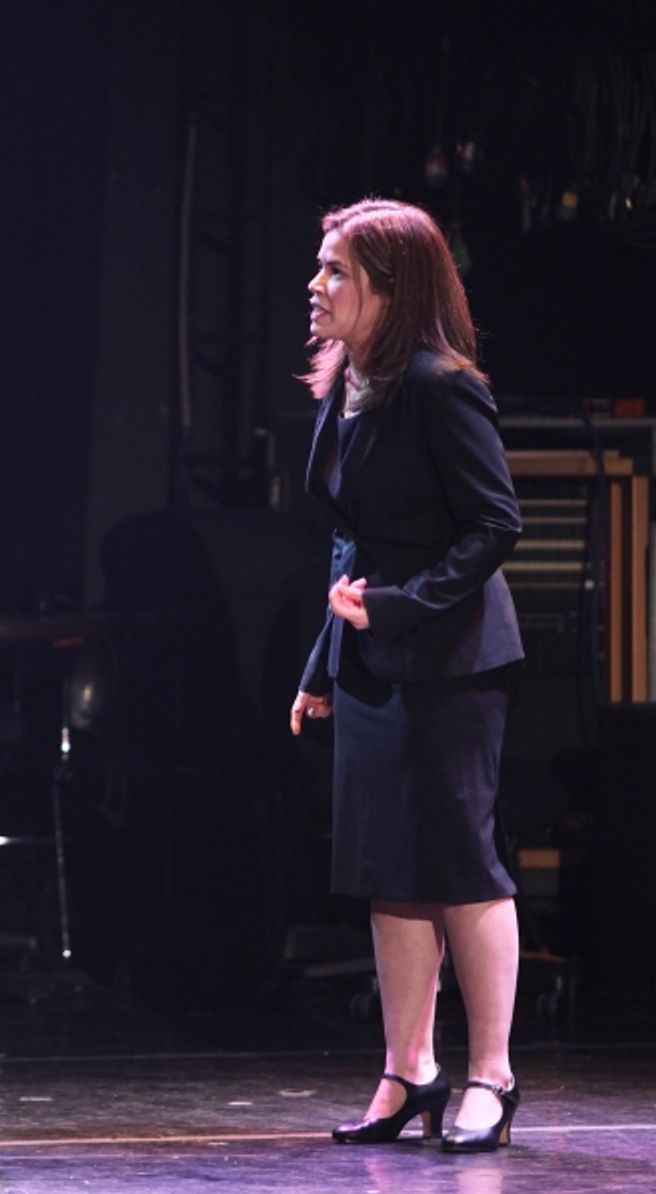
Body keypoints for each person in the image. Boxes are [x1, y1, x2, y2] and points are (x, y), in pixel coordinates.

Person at [289, 198, 524, 1154]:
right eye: (321, 266)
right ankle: (408, 1070)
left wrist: (402, 607)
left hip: (451, 657)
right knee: (389, 870)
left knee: (460, 865)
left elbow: (495, 522)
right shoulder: (351, 383)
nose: (316, 285)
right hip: (374, 660)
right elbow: (354, 543)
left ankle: (492, 1076)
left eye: (336, 271)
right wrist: (326, 659)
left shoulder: (437, 384)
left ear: (391, 290)